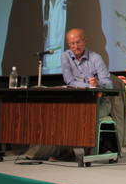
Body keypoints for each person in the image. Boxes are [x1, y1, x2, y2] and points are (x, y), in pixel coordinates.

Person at [26, 28, 114, 162]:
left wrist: (98, 83)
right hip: (77, 101)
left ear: (85, 41)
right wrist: (88, 85)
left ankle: (90, 149)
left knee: (81, 114)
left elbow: (109, 84)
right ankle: (66, 151)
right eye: (72, 44)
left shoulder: (96, 58)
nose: (75, 46)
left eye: (78, 42)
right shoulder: (65, 56)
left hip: (99, 103)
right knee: (61, 113)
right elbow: (69, 81)